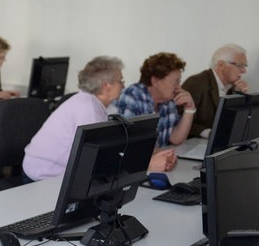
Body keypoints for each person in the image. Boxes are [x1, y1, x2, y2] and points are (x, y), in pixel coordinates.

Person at [23, 56, 177, 182]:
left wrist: (152, 154)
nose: (123, 86)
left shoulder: (99, 105)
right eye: (120, 81)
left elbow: (115, 147)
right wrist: (148, 165)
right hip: (43, 179)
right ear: (106, 85)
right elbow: (97, 162)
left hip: (57, 174)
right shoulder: (88, 109)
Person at [116, 52, 195, 147]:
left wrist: (189, 109)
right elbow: (130, 144)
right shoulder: (132, 96)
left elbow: (176, 139)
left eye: (179, 81)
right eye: (175, 82)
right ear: (155, 81)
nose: (179, 87)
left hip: (160, 159)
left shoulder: (168, 100)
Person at [182, 44, 249, 138]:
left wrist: (241, 97)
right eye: (240, 65)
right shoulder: (196, 83)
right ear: (221, 65)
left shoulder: (234, 87)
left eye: (245, 66)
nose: (244, 71)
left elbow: (234, 123)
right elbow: (180, 120)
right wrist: (210, 133)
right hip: (193, 143)